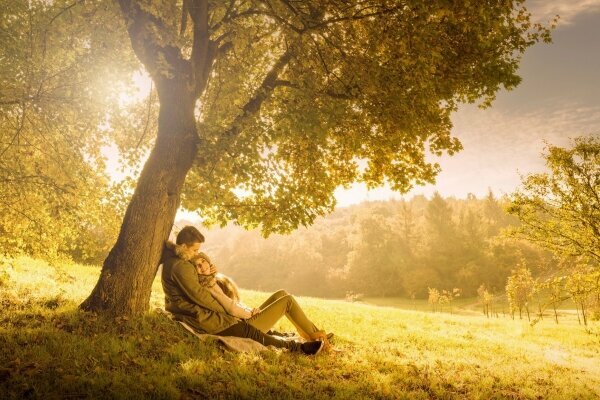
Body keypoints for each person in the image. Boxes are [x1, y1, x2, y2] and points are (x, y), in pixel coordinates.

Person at [161, 225, 327, 355]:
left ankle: (313, 333)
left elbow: (227, 301)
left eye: (202, 258)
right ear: (183, 246)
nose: (199, 257)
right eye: (195, 251)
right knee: (287, 301)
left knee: (282, 294)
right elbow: (207, 298)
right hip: (228, 318)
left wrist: (212, 275)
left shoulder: (197, 271)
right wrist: (242, 314)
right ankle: (312, 339)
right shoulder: (182, 267)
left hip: (235, 314)